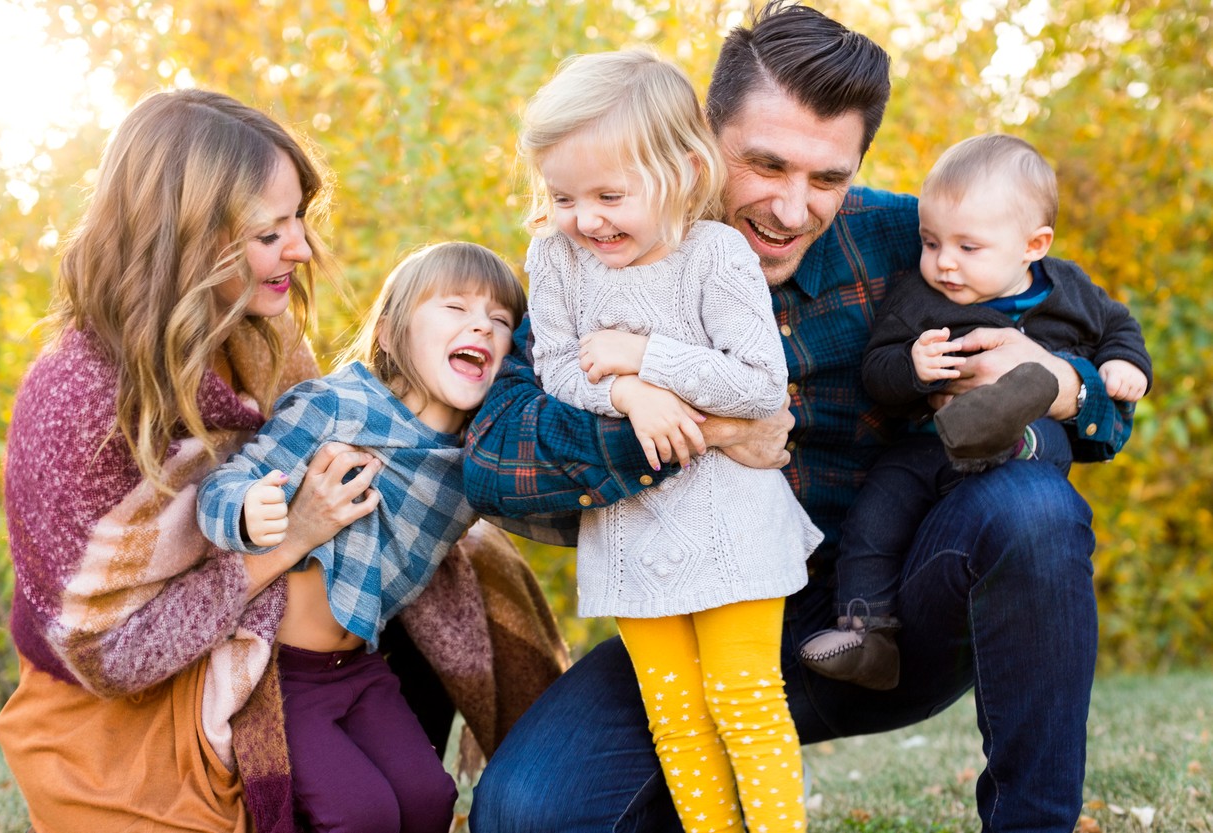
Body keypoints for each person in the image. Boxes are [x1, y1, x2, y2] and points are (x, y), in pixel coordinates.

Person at [463, 4, 1137, 832]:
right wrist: (692, 430)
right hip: (690, 607)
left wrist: (1062, 383)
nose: (791, 208)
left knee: (1032, 508)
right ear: (702, 138)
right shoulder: (610, 250)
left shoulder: (915, 243)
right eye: (765, 164)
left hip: (880, 610)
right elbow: (494, 455)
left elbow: (1097, 368)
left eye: (827, 178)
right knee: (527, 812)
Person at [0, 89, 384, 833]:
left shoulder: (258, 338)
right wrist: (293, 539)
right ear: (189, 241)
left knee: (401, 564)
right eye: (272, 230)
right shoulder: (76, 400)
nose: (300, 248)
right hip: (108, 720)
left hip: (246, 645)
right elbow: (108, 655)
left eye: (299, 216)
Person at [517, 49, 822, 831]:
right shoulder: (556, 258)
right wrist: (629, 392)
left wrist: (645, 353)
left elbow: (758, 382)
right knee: (677, 714)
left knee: (743, 699)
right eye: (563, 196)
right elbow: (554, 368)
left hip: (733, 524)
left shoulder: (715, 253)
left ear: (683, 170)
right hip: (627, 530)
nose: (586, 218)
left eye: (610, 195)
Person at [799, 133, 1151, 689]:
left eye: (968, 248)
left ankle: (1011, 423)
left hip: (1026, 451)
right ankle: (867, 630)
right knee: (878, 503)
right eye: (930, 242)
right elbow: (878, 371)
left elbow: (1119, 327)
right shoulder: (920, 297)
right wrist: (913, 366)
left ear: (1033, 245)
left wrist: (1126, 365)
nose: (944, 264)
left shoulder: (1071, 290)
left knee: (1037, 411)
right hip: (929, 445)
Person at [196, 241, 527, 832]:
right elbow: (230, 480)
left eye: (501, 321)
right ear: (396, 329)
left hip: (360, 666)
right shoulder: (337, 406)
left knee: (429, 798)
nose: (482, 323)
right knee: (360, 812)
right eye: (456, 307)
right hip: (282, 672)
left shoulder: (480, 462)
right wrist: (249, 510)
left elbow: (558, 507)